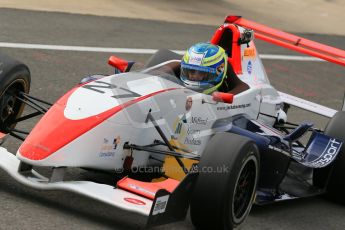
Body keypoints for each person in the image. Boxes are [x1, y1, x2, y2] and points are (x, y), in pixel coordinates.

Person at [180, 42, 249, 95]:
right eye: (192, 71)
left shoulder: (224, 67)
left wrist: (221, 97)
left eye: (201, 72)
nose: (194, 76)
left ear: (219, 71)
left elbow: (244, 87)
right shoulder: (178, 67)